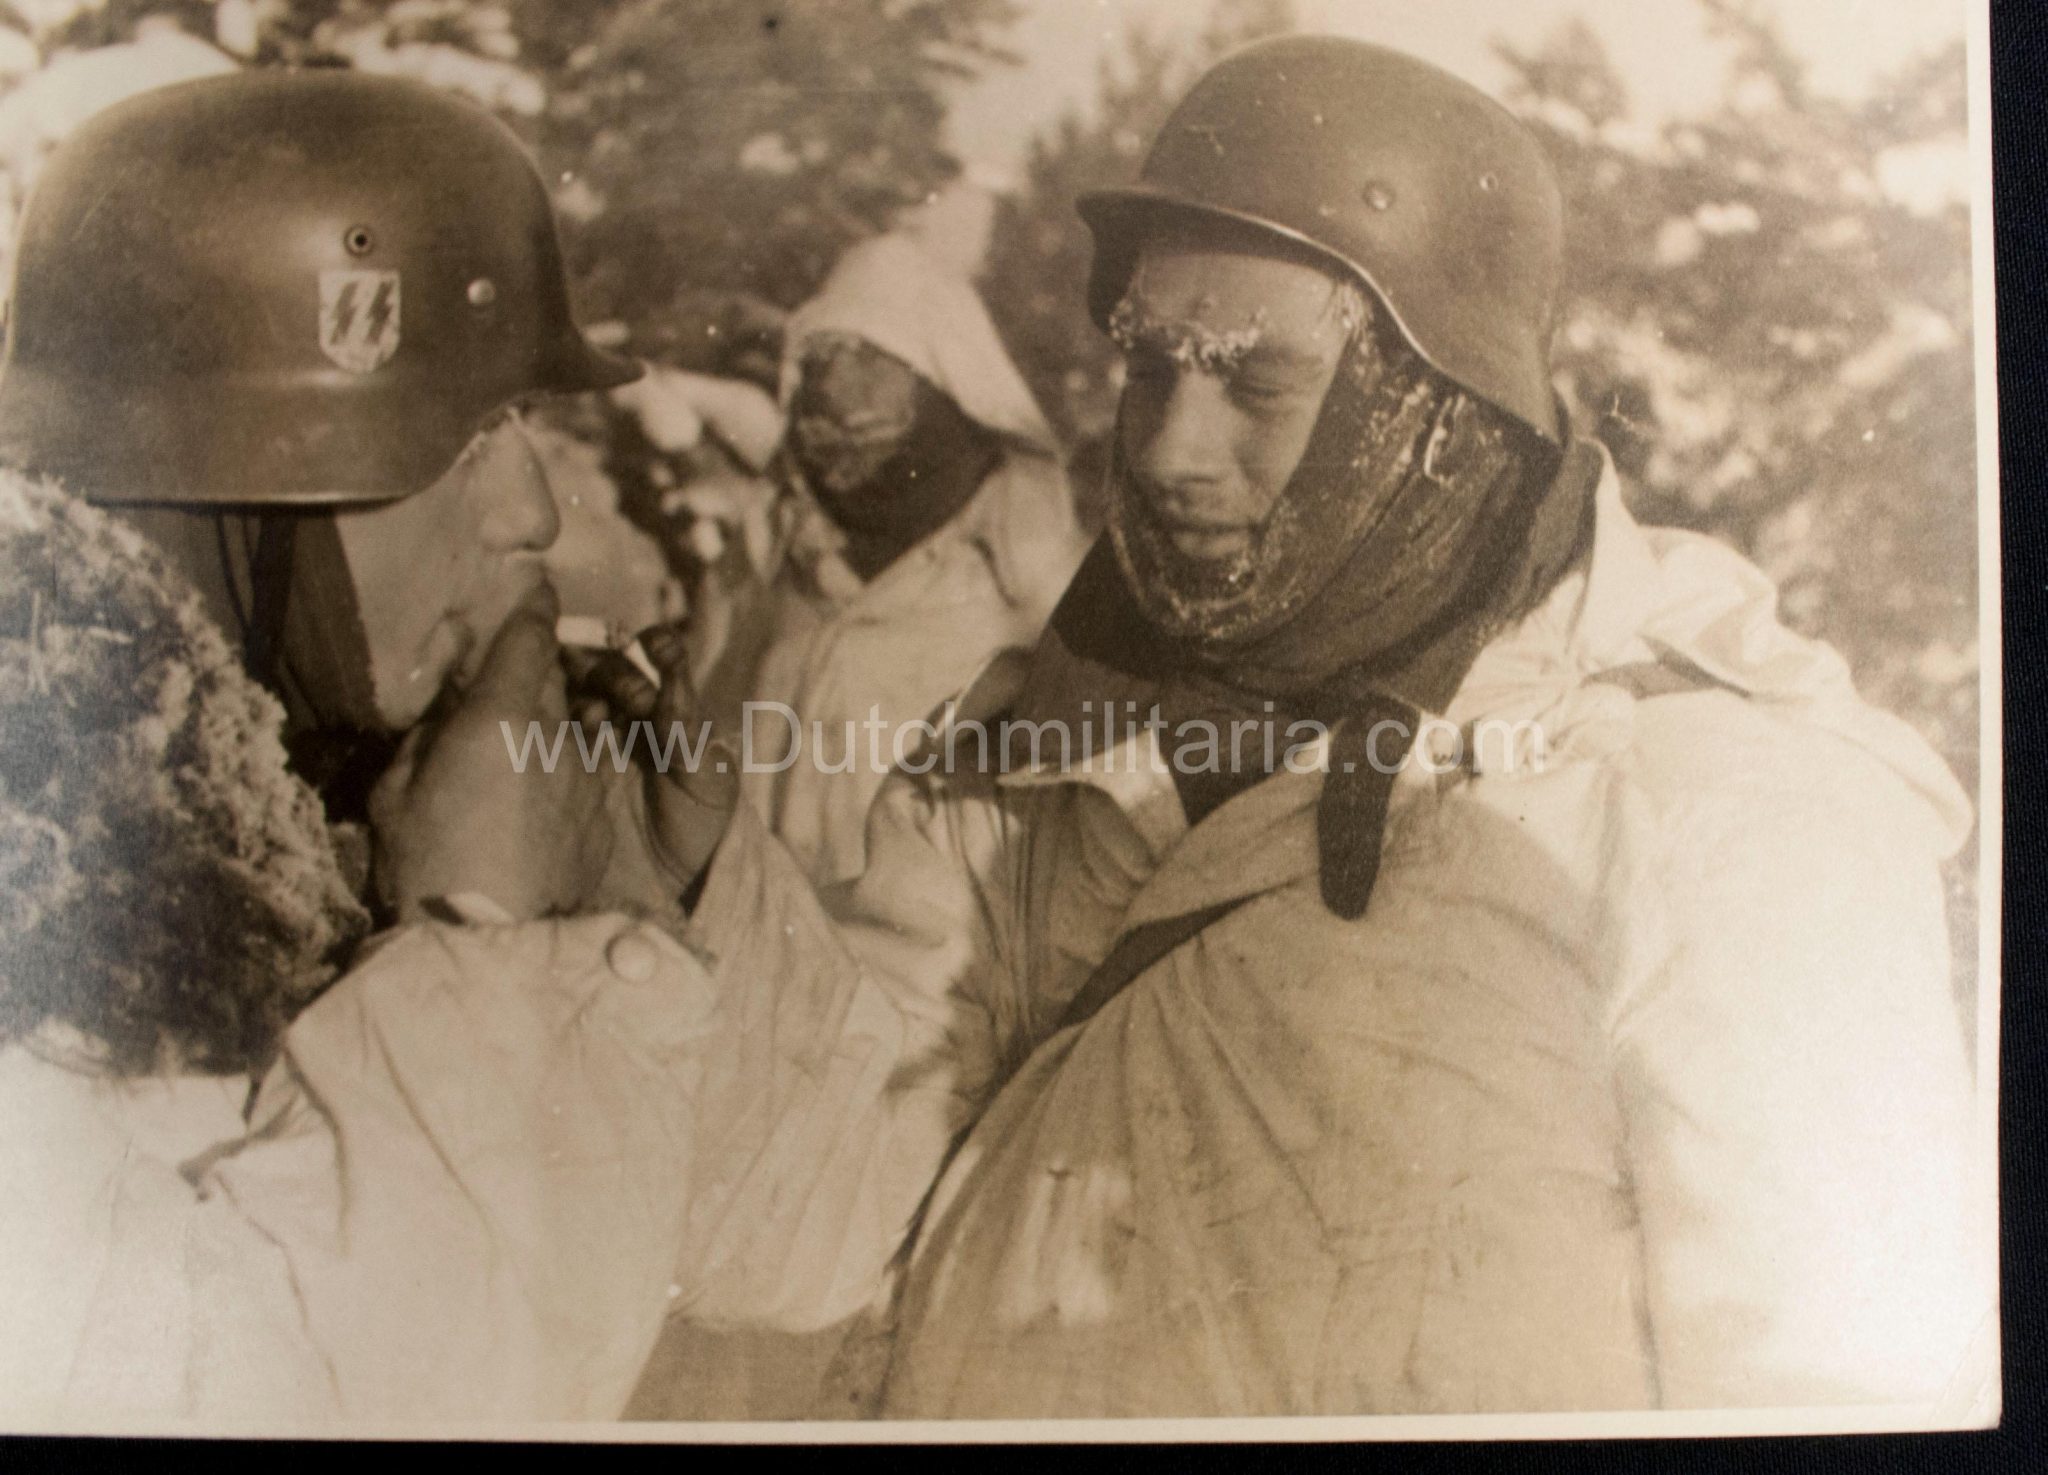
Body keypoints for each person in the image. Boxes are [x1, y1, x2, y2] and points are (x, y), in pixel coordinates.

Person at [639, 37, 1988, 1417]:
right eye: (1149, 370)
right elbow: (789, 1237)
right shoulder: (1060, 735)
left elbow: (1841, 1381)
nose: (1168, 447)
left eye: (1255, 383)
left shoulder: (1713, 799)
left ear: (1445, 408)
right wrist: (688, 884)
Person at [0, 70, 725, 1425]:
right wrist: (483, 946)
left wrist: (641, 898)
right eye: (469, 434)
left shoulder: (310, 803)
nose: (534, 515)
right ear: (236, 469)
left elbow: (790, 1266)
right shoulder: (35, 915)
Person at [694, 231, 1087, 886]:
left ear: (944, 385)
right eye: (821, 359)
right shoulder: (763, 554)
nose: (838, 388)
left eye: (874, 361)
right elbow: (692, 747)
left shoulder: (1030, 576)